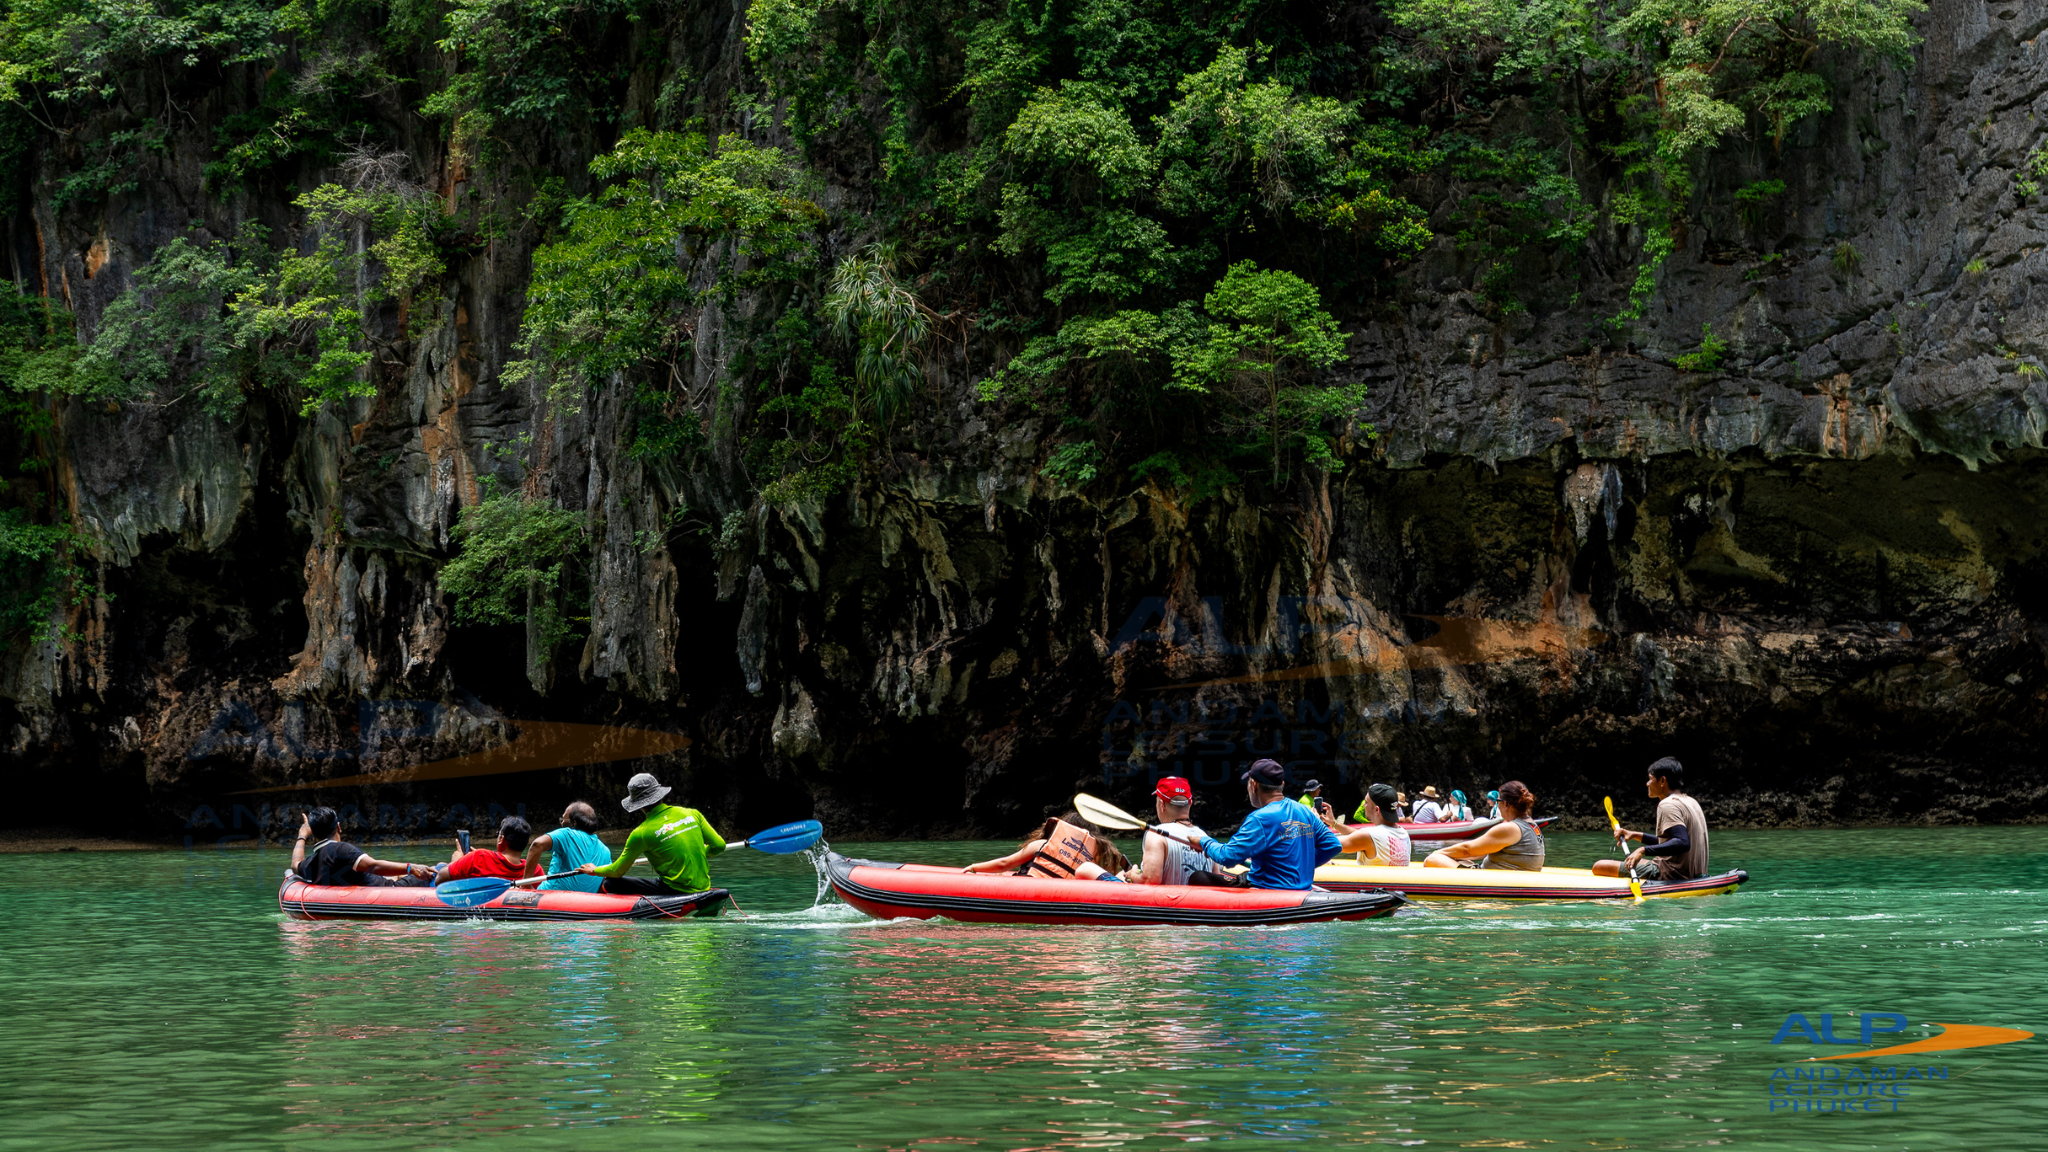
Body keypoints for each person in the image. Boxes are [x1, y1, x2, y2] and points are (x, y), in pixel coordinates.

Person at [1173, 759, 1341, 890]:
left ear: (1254, 785)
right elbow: (1333, 846)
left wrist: (1204, 842)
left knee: (1199, 877)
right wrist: (1301, 867)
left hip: (1268, 891)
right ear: (1281, 785)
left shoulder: (1259, 819)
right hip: (1301, 889)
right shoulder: (1304, 811)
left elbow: (1228, 857)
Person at [578, 773, 727, 894]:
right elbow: (719, 846)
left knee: (610, 883)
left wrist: (594, 870)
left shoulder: (641, 833)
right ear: (659, 794)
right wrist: (693, 854)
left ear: (637, 804)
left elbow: (617, 871)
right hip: (704, 887)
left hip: (675, 890)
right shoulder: (692, 814)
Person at [1594, 758, 1710, 881]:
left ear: (1662, 781)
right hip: (1695, 873)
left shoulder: (1667, 805)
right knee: (1631, 860)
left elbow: (1682, 842)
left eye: (1650, 779)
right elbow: (1671, 842)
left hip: (1673, 874)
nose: (1647, 783)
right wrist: (1634, 835)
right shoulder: (1691, 801)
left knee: (1599, 866)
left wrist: (1642, 850)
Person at [1122, 777, 1229, 885]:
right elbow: (1217, 880)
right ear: (1190, 803)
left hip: (1168, 901)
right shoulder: (1206, 840)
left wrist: (1133, 875)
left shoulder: (1156, 835)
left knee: (1120, 875)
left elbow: (1150, 880)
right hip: (1200, 901)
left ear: (1162, 805)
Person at [290, 806, 435, 886]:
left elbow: (295, 864)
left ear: (313, 835)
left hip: (380, 883)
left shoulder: (311, 862)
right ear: (339, 827)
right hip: (389, 890)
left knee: (399, 875)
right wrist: (411, 867)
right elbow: (373, 866)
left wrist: (302, 835)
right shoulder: (340, 849)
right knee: (439, 869)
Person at [963, 813, 1132, 881]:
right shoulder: (1091, 859)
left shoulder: (1041, 845)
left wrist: (974, 867)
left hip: (1027, 893)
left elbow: (1004, 864)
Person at [1423, 781, 1543, 870]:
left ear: (1506, 804)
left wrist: (1438, 852)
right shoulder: (1531, 824)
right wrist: (1451, 855)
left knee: (1432, 859)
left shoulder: (1510, 828)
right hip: (1504, 873)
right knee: (1452, 857)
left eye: (1498, 801)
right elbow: (1481, 851)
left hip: (1486, 878)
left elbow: (1467, 850)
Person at [522, 801, 614, 892]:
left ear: (574, 823)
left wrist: (526, 885)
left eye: (563, 820)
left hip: (552, 897)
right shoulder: (605, 851)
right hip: (586, 904)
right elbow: (602, 885)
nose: (562, 823)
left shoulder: (566, 834)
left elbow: (537, 844)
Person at [1319, 782, 1411, 867]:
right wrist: (1334, 823)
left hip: (1375, 885)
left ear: (1376, 810)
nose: (1364, 806)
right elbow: (1360, 836)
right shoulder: (1403, 833)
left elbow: (1327, 843)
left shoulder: (1369, 836)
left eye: (1366, 802)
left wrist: (1316, 822)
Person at [445, 816, 534, 880]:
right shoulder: (534, 869)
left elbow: (440, 879)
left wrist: (456, 861)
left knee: (440, 866)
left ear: (501, 839)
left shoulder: (479, 857)